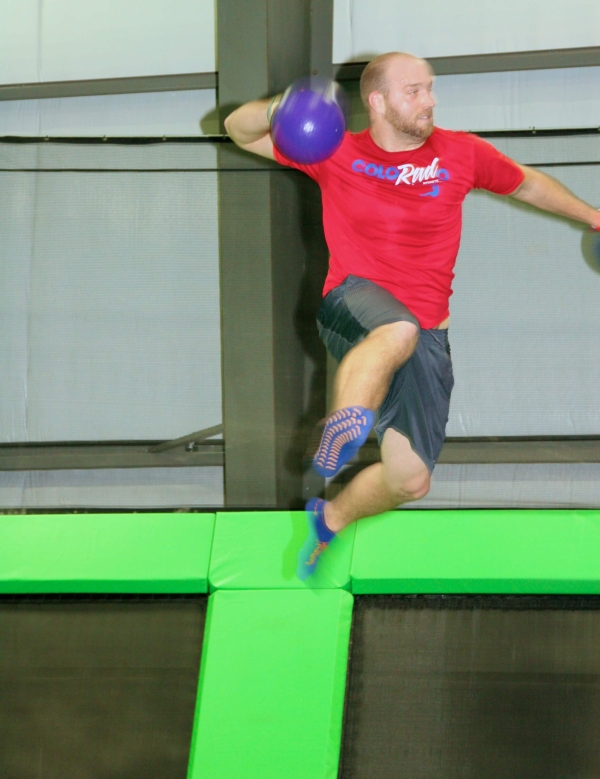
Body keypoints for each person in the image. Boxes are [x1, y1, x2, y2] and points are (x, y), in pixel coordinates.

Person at [225, 52, 600, 578]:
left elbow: (527, 183)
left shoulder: (461, 153)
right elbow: (238, 130)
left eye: (430, 89)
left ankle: (330, 517)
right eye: (415, 91)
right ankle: (345, 424)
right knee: (395, 327)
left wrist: (594, 216)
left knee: (410, 480)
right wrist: (281, 107)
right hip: (353, 306)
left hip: (428, 340)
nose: (430, 101)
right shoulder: (334, 152)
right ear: (377, 102)